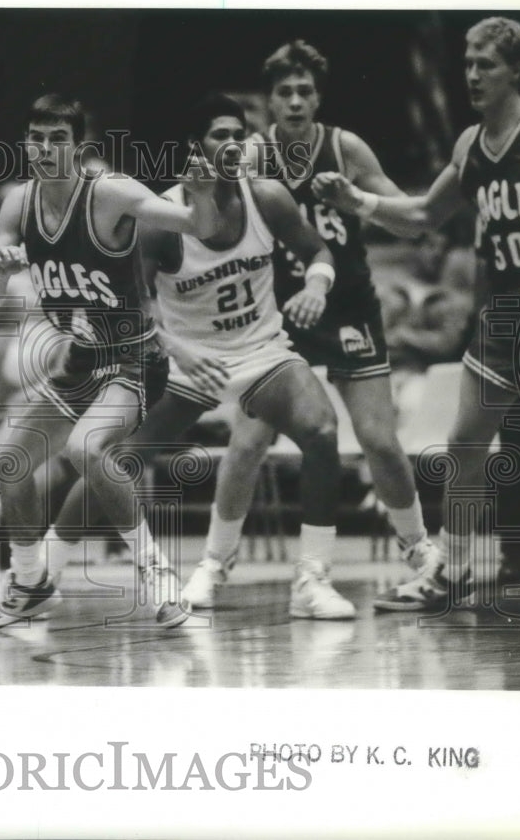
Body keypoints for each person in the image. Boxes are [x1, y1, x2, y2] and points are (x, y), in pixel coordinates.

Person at [34, 92, 356, 620]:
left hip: (260, 350)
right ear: (195, 147)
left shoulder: (267, 197)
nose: (231, 145)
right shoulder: (162, 219)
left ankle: (312, 579)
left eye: (237, 134)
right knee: (116, 461)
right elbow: (131, 305)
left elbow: (318, 250)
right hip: (182, 357)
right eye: (219, 135)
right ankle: (43, 573)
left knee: (321, 432)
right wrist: (176, 349)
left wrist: (317, 286)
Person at [182, 40, 441, 608]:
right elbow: (207, 225)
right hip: (278, 313)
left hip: (345, 303)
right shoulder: (247, 156)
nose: (296, 101)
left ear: (318, 97)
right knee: (249, 438)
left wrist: (357, 202)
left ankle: (422, 554)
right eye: (285, 92)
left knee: (378, 439)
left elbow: (411, 224)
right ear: (269, 102)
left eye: (305, 91)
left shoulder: (344, 147)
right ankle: (212, 564)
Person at [312, 17, 520, 608]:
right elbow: (419, 218)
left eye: (485, 64)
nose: (472, 75)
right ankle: (455, 569)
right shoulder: (469, 144)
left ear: (516, 70)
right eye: (466, 64)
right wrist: (356, 200)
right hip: (504, 316)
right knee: (464, 448)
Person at [0, 93, 221, 629]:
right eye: (36, 138)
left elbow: (199, 227)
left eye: (58, 139)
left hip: (135, 357)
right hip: (80, 359)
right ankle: (29, 581)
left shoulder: (110, 193)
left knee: (87, 448)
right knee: (6, 465)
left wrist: (201, 193)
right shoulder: (17, 204)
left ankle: (155, 573)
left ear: (80, 147)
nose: (44, 149)